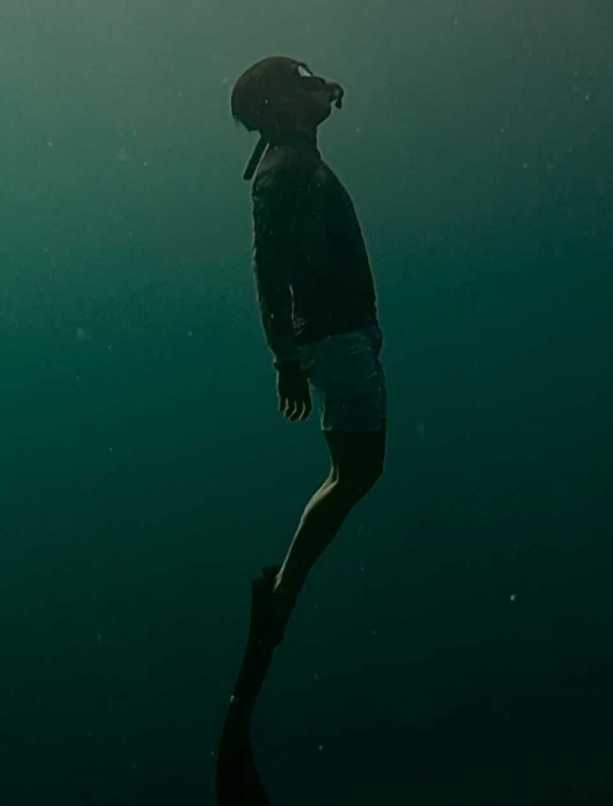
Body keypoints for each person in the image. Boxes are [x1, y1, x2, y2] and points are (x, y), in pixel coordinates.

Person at [230, 56, 387, 651]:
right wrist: (287, 360)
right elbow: (269, 274)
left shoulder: (290, 161)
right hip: (334, 338)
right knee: (357, 472)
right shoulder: (282, 173)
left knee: (356, 471)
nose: (314, 84)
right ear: (279, 108)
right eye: (300, 83)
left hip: (342, 336)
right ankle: (286, 589)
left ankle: (286, 588)